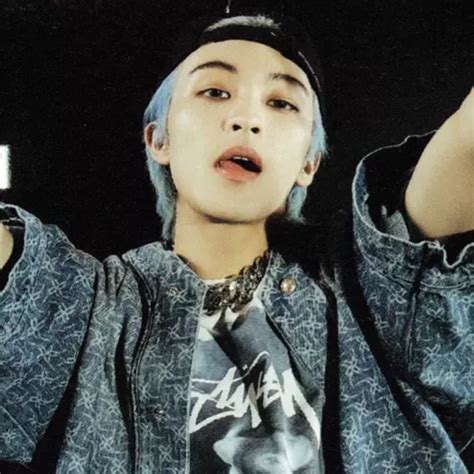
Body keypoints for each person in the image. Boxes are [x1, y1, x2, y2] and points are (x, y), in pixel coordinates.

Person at [0, 12, 472, 474]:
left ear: (308, 163)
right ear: (159, 139)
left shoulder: (366, 293)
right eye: (215, 91)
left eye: (281, 103)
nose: (247, 118)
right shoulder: (85, 305)